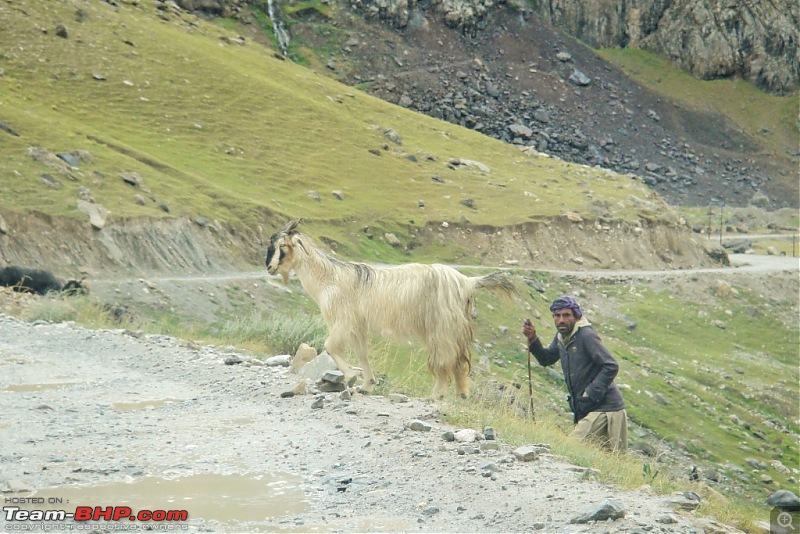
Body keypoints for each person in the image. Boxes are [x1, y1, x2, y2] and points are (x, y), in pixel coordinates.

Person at [523, 296, 627, 452]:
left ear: (576, 316)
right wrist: (533, 339)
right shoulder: (562, 337)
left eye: (566, 315)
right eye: (557, 316)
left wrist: (590, 393)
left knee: (571, 447)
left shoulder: (586, 335)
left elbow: (610, 365)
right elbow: (547, 359)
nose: (561, 320)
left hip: (607, 409)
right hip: (587, 408)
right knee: (598, 459)